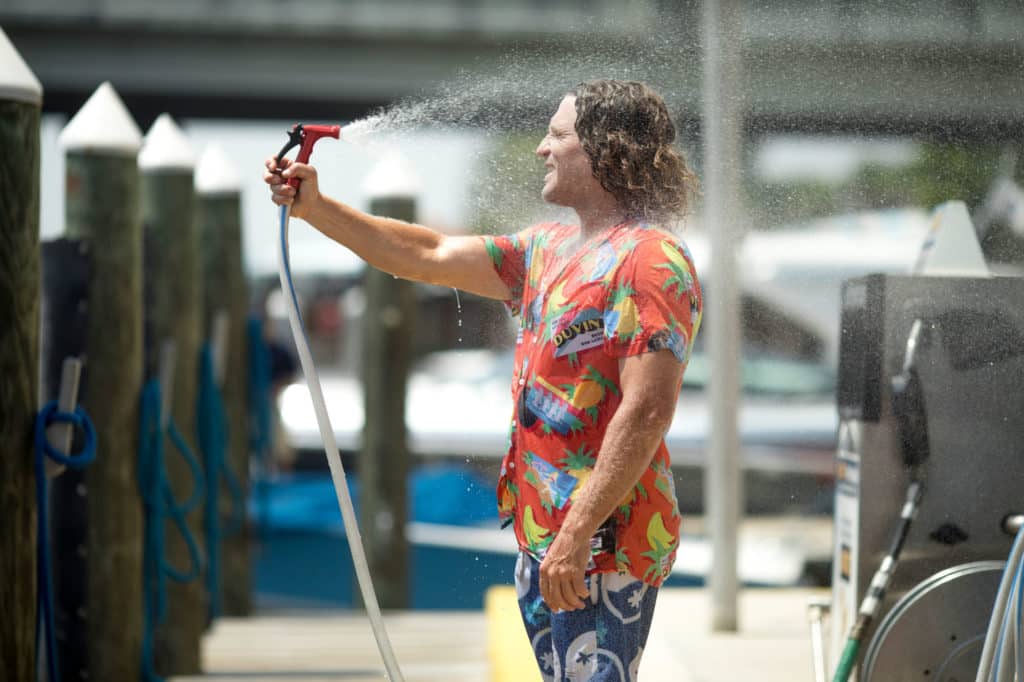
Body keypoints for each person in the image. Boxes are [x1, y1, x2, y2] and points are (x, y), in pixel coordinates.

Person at [265, 79, 702, 681]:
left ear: (608, 148)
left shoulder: (649, 259)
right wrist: (316, 208)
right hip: (547, 540)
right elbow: (429, 252)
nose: (542, 150)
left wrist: (576, 534)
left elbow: (648, 409)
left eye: (558, 135)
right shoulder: (548, 250)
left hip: (604, 540)